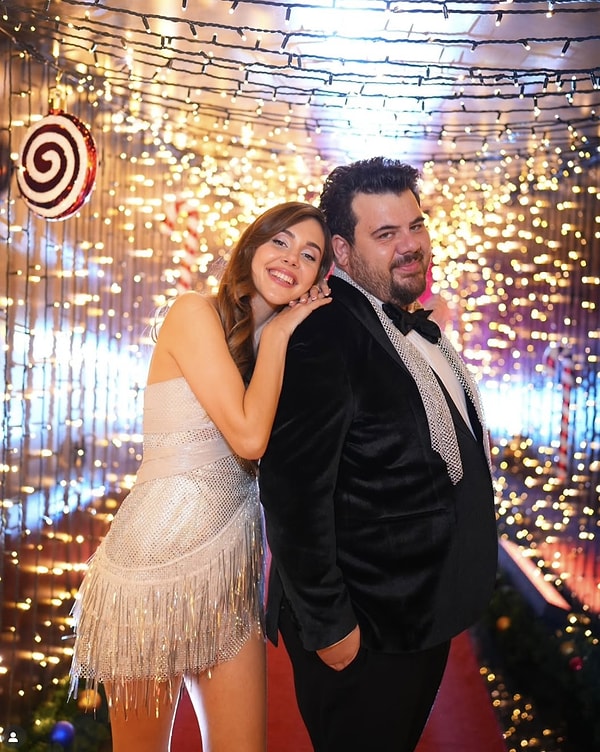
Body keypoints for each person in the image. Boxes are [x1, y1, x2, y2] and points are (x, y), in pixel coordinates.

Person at [68, 201, 333, 752]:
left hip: (231, 577)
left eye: (310, 255)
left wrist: (285, 338)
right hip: (150, 570)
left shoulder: (280, 349)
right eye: (280, 241)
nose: (292, 259)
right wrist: (280, 335)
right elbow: (249, 439)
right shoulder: (194, 312)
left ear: (318, 279)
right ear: (252, 246)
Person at [259, 158, 499, 752]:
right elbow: (292, 494)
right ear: (342, 250)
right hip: (366, 629)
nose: (410, 245)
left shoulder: (407, 325)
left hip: (418, 614)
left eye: (415, 226)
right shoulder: (324, 332)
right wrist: (331, 627)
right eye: (386, 234)